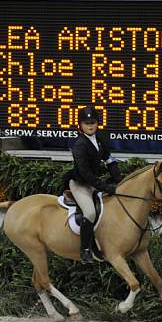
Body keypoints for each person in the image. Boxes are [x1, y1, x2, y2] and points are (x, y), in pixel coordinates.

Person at [65, 106, 122, 263]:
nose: (90, 126)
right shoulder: (79, 145)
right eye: (86, 123)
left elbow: (110, 160)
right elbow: (86, 175)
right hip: (80, 184)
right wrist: (107, 187)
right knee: (90, 212)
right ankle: (85, 249)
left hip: (93, 183)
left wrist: (120, 182)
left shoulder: (100, 139)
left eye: (93, 122)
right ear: (80, 125)